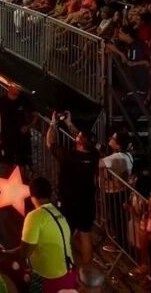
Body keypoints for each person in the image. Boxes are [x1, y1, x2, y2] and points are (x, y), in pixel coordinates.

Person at [0, 177, 77, 292]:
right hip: (69, 274)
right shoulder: (58, 213)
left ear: (32, 196)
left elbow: (25, 252)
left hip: (49, 278)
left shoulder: (34, 217)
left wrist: (5, 255)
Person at [46, 111, 99, 266]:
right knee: (85, 235)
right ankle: (86, 271)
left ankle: (61, 265)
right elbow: (85, 140)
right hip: (87, 202)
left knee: (63, 233)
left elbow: (50, 142)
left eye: (78, 137)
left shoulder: (69, 157)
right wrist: (69, 123)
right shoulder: (94, 155)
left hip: (69, 202)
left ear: (79, 143)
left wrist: (53, 124)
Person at [100, 132, 133, 253]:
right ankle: (120, 241)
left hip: (115, 192)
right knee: (118, 218)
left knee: (117, 218)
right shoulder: (126, 155)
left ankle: (120, 245)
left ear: (118, 144)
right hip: (120, 191)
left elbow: (100, 163)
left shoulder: (117, 157)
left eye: (113, 138)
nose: (110, 139)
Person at [0, 86, 37, 171]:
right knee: (6, 161)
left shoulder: (24, 100)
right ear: (10, 87)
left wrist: (28, 126)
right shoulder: (1, 101)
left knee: (22, 163)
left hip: (22, 138)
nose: (18, 89)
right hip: (7, 137)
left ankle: (22, 180)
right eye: (16, 87)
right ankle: (8, 180)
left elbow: (35, 115)